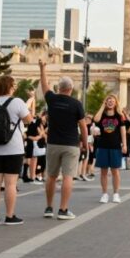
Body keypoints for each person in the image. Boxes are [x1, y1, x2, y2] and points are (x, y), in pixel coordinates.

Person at [36, 65, 88, 220]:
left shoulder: (52, 99)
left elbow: (44, 85)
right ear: (71, 89)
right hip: (71, 144)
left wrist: (42, 69)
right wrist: (85, 144)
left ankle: (48, 207)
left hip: (53, 143)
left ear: (59, 88)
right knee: (67, 177)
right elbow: (83, 127)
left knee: (51, 176)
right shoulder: (76, 104)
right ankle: (63, 210)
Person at [0, 76, 33, 225]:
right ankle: (10, 216)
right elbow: (28, 120)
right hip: (13, 147)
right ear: (10, 87)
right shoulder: (17, 102)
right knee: (11, 184)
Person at [94, 94, 126, 203]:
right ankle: (104, 194)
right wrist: (102, 106)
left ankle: (116, 193)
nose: (110, 102)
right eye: (108, 100)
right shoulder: (102, 114)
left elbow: (123, 131)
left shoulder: (119, 116)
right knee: (103, 171)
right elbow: (96, 119)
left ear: (116, 103)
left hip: (115, 146)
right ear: (105, 102)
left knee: (115, 171)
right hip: (103, 145)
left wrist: (125, 145)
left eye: (112, 100)